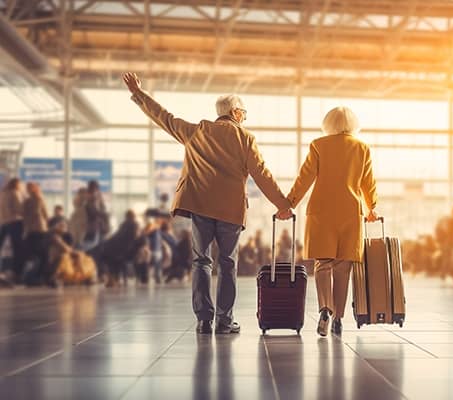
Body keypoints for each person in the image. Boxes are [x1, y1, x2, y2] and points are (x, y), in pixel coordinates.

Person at [123, 72, 291, 334]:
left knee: (201, 261)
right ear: (235, 113)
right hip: (230, 211)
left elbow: (163, 118)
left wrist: (139, 94)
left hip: (200, 206)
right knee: (228, 263)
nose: (244, 117)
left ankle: (203, 320)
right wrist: (282, 204)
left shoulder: (196, 131)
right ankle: (225, 320)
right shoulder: (245, 138)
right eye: (244, 113)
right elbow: (262, 173)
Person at [279, 106, 378, 336]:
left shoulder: (319, 145)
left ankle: (325, 308)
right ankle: (339, 320)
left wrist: (289, 203)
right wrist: (372, 207)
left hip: (321, 212)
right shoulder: (362, 148)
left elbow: (305, 178)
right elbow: (368, 182)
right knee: (343, 268)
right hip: (350, 213)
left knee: (323, 265)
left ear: (328, 124)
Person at [22, 182, 50, 286]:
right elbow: (45, 214)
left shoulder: (26, 201)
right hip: (40, 229)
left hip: (30, 231)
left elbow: (23, 215)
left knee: (33, 255)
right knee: (43, 255)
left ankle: (30, 278)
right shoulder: (39, 199)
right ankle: (41, 277)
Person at [0, 178, 25, 282]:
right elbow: (20, 209)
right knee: (18, 248)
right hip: (15, 222)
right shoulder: (15, 193)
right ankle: (17, 273)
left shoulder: (2, 194)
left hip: (3, 222)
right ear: (17, 184)